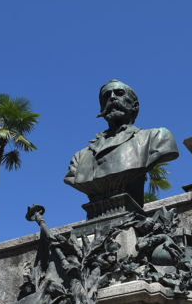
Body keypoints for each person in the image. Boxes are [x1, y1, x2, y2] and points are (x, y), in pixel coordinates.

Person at [64, 80, 179, 211]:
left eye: (119, 93)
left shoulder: (157, 137)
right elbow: (72, 178)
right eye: (106, 96)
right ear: (102, 109)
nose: (112, 97)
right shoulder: (80, 157)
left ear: (135, 106)